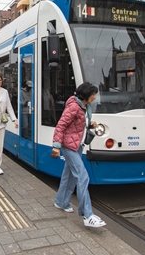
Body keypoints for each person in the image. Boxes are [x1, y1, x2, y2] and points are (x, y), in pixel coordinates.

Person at [51, 82, 107, 228]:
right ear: (86, 95)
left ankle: (61, 202)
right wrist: (56, 146)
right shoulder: (74, 107)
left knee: (69, 176)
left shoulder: (84, 107)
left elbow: (77, 125)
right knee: (82, 177)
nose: (95, 97)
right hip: (69, 147)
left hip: (77, 145)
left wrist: (90, 124)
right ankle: (87, 215)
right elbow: (61, 125)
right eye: (93, 94)